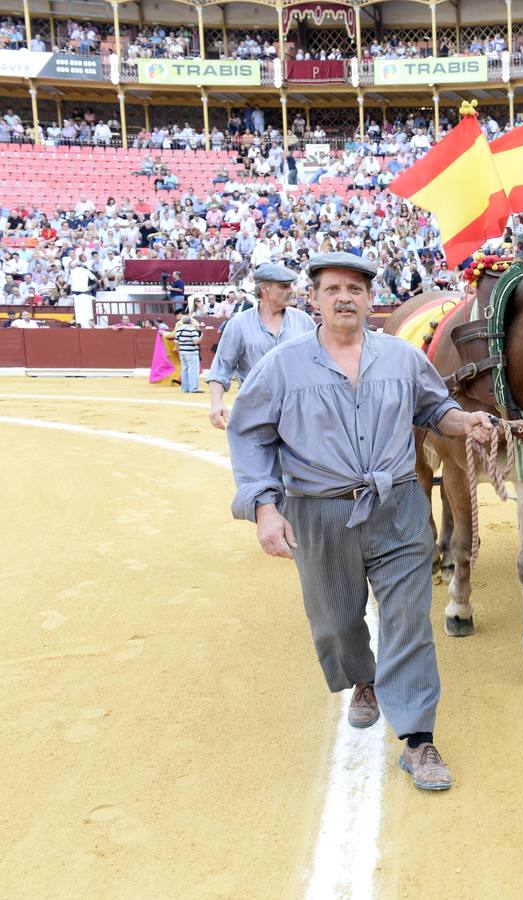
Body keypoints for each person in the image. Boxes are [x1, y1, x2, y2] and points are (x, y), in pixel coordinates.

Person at [226, 251, 496, 792]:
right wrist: (263, 507)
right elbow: (249, 433)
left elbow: (433, 407)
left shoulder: (400, 358)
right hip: (317, 510)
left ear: (371, 299)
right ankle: (362, 679)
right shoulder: (282, 366)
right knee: (334, 620)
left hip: (398, 504)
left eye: (355, 288)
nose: (344, 297)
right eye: (332, 289)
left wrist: (464, 419)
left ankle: (418, 740)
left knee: (408, 620)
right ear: (316, 300)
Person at [205, 264, 314, 429]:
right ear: (264, 288)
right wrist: (216, 403)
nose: (291, 290)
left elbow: (320, 361)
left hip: (298, 411)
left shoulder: (304, 321)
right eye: (284, 286)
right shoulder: (238, 324)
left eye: (291, 285)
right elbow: (221, 368)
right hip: (255, 410)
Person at [174, 313, 204, 393]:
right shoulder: (192, 330)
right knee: (193, 370)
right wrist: (201, 336)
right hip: (192, 352)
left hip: (182, 352)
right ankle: (193, 388)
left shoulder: (179, 330)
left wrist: (179, 351)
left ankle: (185, 388)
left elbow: (176, 342)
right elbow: (195, 342)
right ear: (190, 322)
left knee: (184, 370)